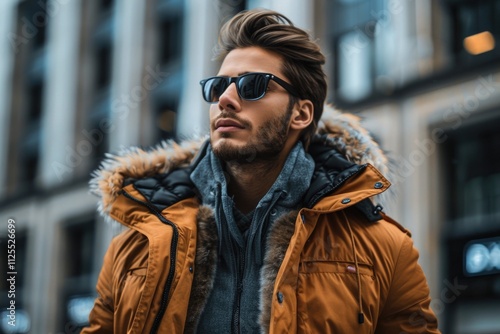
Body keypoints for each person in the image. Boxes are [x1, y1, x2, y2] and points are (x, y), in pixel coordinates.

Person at [82, 9, 440, 334]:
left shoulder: (384, 248)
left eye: (252, 85)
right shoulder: (135, 245)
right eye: (218, 86)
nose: (225, 98)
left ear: (300, 114)